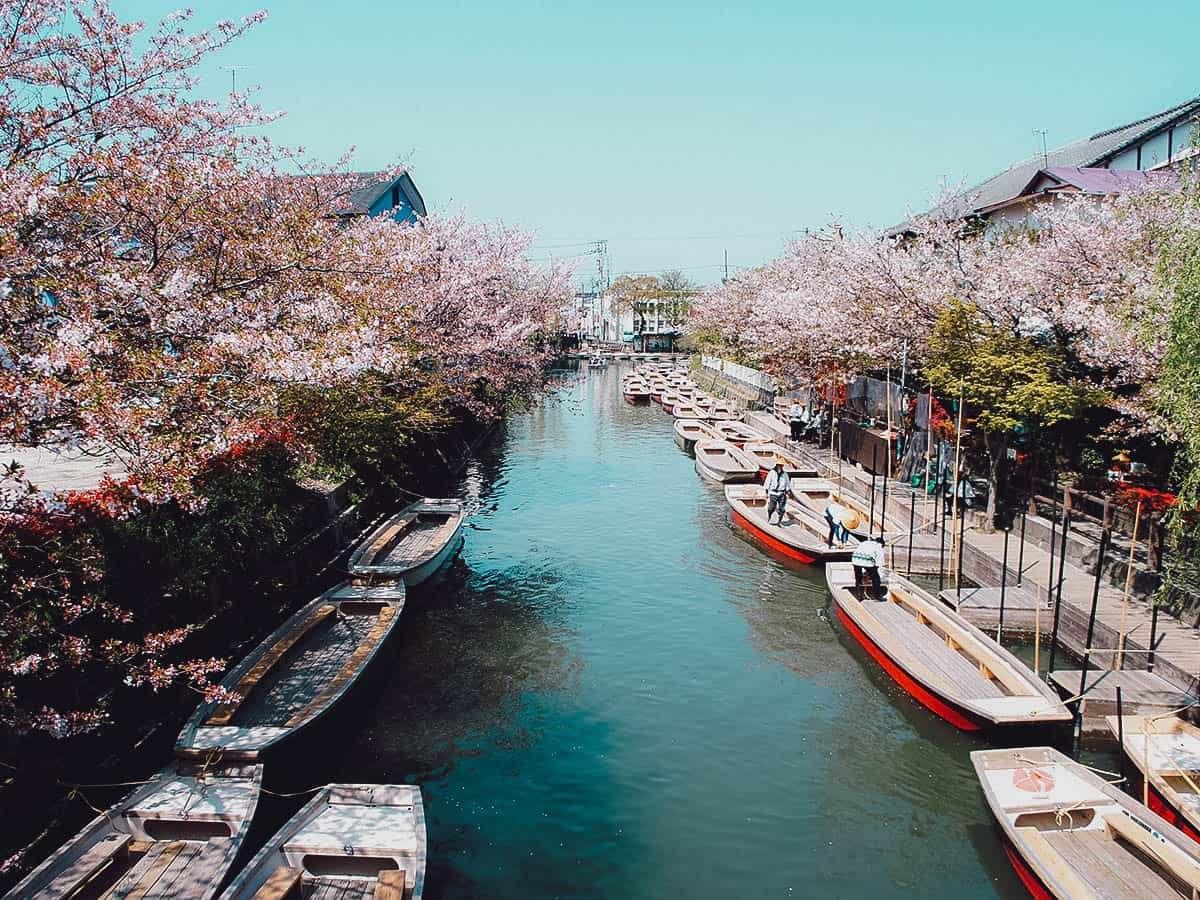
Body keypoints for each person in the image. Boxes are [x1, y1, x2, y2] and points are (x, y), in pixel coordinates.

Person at [851, 534, 886, 598]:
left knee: (858, 578)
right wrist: (879, 574)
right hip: (866, 561)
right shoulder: (879, 546)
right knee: (876, 579)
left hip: (855, 559)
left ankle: (858, 595)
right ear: (882, 544)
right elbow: (880, 562)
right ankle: (877, 596)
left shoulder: (865, 542)